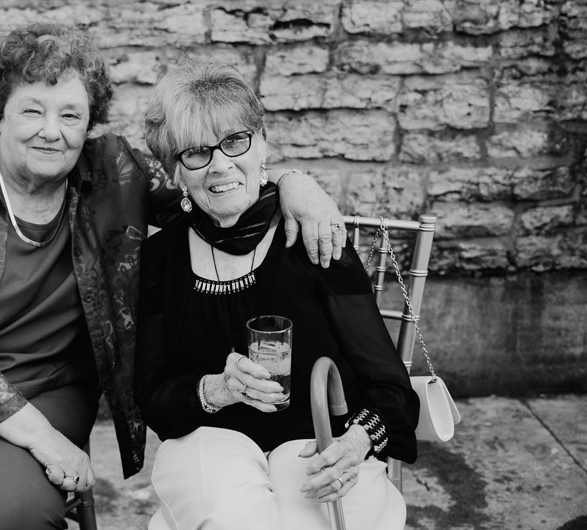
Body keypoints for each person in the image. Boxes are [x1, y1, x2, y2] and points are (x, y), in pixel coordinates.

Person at [0, 23, 346, 530]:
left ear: (89, 124)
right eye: (32, 111)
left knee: (2, 515)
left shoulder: (115, 173)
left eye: (71, 115)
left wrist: (292, 181)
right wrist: (45, 441)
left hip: (40, 383)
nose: (52, 131)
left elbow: (209, 180)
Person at [135, 58, 419, 530]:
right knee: (230, 517)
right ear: (175, 173)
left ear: (261, 144)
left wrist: (354, 444)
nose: (220, 164)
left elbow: (392, 389)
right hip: (210, 440)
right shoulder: (162, 258)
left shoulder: (313, 236)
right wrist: (218, 389)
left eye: (234, 141)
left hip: (318, 440)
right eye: (195, 152)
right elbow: (153, 393)